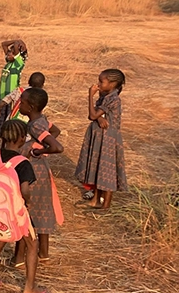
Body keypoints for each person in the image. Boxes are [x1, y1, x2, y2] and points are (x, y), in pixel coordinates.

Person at [0, 119, 51, 293]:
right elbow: (25, 189)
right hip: (16, 212)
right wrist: (28, 201)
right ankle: (30, 287)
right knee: (32, 244)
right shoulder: (22, 162)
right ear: (21, 139)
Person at [12, 88, 64, 267]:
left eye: (23, 101)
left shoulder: (34, 125)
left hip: (33, 171)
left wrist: (37, 150)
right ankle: (44, 253)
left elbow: (57, 147)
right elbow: (55, 131)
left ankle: (18, 258)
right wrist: (39, 145)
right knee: (42, 209)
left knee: (25, 211)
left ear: (31, 106)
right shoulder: (42, 120)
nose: (20, 104)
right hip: (42, 170)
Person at [75, 69, 127, 210]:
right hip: (101, 137)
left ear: (112, 84)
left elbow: (92, 115)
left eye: (101, 82)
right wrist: (99, 117)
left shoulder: (113, 99)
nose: (98, 84)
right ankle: (95, 201)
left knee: (107, 170)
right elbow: (95, 115)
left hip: (108, 139)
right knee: (98, 167)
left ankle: (106, 205)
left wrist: (90, 96)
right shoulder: (106, 95)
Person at [0, 39, 28, 137]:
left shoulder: (18, 64)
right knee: (1, 121)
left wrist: (19, 42)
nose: (8, 54)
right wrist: (16, 40)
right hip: (2, 96)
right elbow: (3, 44)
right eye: (8, 52)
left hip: (10, 97)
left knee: (8, 123)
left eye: (12, 53)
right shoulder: (8, 63)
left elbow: (16, 46)